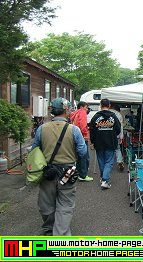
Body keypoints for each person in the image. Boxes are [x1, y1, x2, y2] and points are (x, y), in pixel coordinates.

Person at [32, 98, 87, 235]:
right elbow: (83, 151)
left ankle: (49, 229)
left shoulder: (41, 128)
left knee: (46, 203)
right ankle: (60, 234)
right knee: (66, 203)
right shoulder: (74, 130)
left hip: (47, 171)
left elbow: (34, 151)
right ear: (66, 111)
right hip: (67, 172)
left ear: (52, 110)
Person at [90, 98, 121, 189]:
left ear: (100, 105)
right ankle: (105, 180)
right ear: (109, 105)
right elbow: (118, 129)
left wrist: (92, 142)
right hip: (110, 142)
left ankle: (103, 178)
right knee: (109, 162)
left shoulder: (95, 117)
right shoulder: (114, 116)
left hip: (98, 142)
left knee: (101, 160)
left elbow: (92, 130)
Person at [70, 101, 93, 182]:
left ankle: (78, 172)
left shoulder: (75, 113)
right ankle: (83, 175)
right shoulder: (82, 112)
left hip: (74, 136)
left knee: (78, 156)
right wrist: (86, 132)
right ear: (82, 107)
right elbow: (83, 126)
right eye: (86, 107)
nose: (87, 109)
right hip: (82, 137)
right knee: (84, 156)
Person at [110, 104, 125, 171]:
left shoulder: (106, 112)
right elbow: (121, 126)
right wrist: (121, 136)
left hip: (107, 134)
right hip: (116, 135)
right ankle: (119, 161)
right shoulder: (119, 115)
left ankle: (108, 163)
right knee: (117, 149)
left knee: (108, 149)